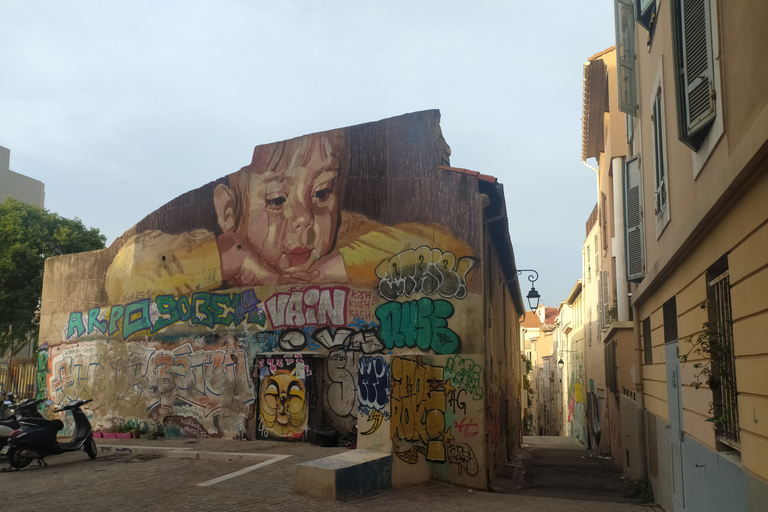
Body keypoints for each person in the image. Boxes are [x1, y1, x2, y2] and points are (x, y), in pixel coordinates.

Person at [105, 130, 473, 304]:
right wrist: (226, 258)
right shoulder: (215, 255)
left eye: (322, 193)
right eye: (277, 199)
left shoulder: (351, 239)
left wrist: (336, 268)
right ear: (229, 210)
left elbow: (447, 252)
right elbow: (125, 276)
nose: (305, 219)